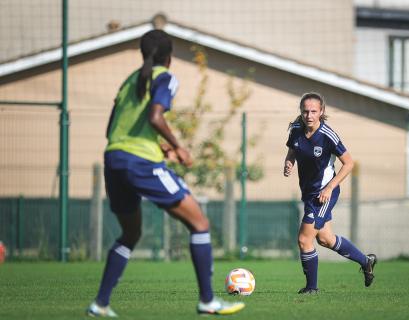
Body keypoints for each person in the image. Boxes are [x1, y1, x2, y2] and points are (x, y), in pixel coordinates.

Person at [86, 30, 245, 317]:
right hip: (140, 164)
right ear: (169, 57)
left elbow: (114, 131)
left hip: (114, 159)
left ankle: (100, 304)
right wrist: (178, 148)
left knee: (130, 233)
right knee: (199, 222)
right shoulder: (165, 78)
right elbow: (155, 116)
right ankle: (208, 301)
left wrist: (157, 148)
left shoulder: (129, 82)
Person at [283, 92, 377, 294]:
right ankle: (366, 261)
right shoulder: (296, 130)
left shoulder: (328, 135)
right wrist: (289, 162)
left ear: (321, 112)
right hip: (309, 193)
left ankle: (311, 288)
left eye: (313, 111)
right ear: (301, 111)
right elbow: (293, 150)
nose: (309, 115)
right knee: (325, 238)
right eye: (305, 111)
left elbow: (349, 163)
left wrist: (329, 188)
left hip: (323, 194)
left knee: (304, 239)